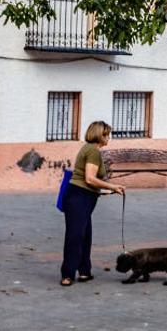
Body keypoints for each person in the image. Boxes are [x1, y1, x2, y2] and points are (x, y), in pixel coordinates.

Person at [60, 121, 126, 287]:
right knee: (75, 236)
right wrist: (113, 187)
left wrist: (103, 189)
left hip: (82, 196)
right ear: (100, 135)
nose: (108, 138)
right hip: (79, 197)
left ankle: (84, 272)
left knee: (85, 235)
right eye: (106, 134)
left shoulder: (88, 148)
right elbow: (89, 178)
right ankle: (67, 274)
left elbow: (87, 177)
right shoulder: (93, 151)